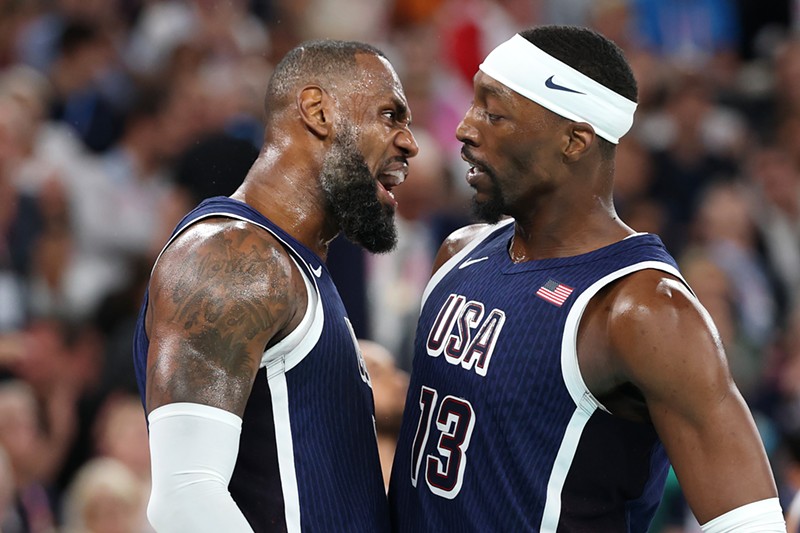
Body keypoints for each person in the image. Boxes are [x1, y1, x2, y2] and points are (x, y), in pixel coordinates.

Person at [387, 25, 784, 532]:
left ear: (574, 140)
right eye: (471, 104)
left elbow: (750, 522)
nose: (465, 129)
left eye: (494, 112)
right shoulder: (457, 254)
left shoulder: (644, 309)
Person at [132, 39, 418, 532]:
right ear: (317, 111)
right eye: (390, 115)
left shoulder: (295, 265)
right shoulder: (230, 257)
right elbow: (185, 500)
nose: (409, 141)